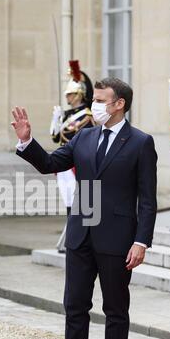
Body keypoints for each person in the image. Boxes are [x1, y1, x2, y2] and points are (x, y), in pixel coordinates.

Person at [12, 77, 157, 339]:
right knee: (74, 307)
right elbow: (50, 163)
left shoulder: (140, 142)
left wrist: (141, 241)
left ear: (119, 104)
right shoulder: (84, 136)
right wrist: (27, 142)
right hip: (81, 234)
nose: (95, 105)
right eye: (95, 99)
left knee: (116, 310)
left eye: (102, 100)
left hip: (118, 238)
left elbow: (147, 198)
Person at [50, 61, 93, 251]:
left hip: (76, 163)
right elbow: (55, 137)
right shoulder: (67, 115)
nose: (67, 97)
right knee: (68, 201)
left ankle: (77, 238)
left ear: (80, 94)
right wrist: (55, 120)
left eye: (71, 93)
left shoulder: (87, 115)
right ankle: (72, 237)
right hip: (63, 164)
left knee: (78, 203)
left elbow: (78, 139)